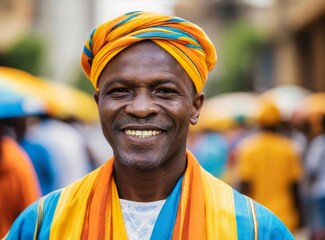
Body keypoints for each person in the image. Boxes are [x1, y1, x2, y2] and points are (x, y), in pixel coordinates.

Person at [5, 11, 294, 239]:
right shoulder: (43, 226)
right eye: (120, 90)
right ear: (99, 104)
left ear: (195, 106)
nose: (140, 108)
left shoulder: (254, 230)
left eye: (164, 91)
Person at [235, 101, 303, 234]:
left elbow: (244, 186)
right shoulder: (289, 148)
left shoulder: (247, 149)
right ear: (278, 122)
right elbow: (295, 186)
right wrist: (301, 216)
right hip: (286, 218)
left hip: (257, 219)